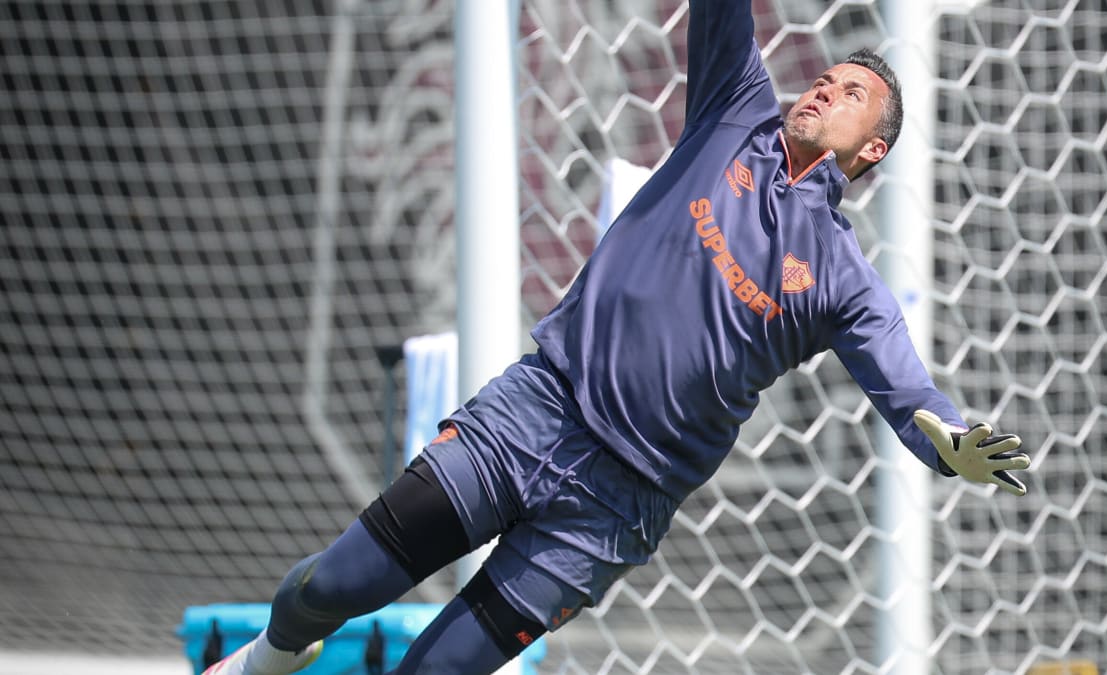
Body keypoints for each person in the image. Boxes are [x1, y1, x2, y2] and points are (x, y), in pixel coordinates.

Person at [204, 1, 1030, 673]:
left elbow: (907, 390)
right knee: (337, 582)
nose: (821, 90)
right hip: (537, 410)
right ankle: (271, 658)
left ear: (873, 149)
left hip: (614, 505)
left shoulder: (844, 277)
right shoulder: (733, 110)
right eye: (823, 77)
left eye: (849, 94)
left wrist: (946, 439)